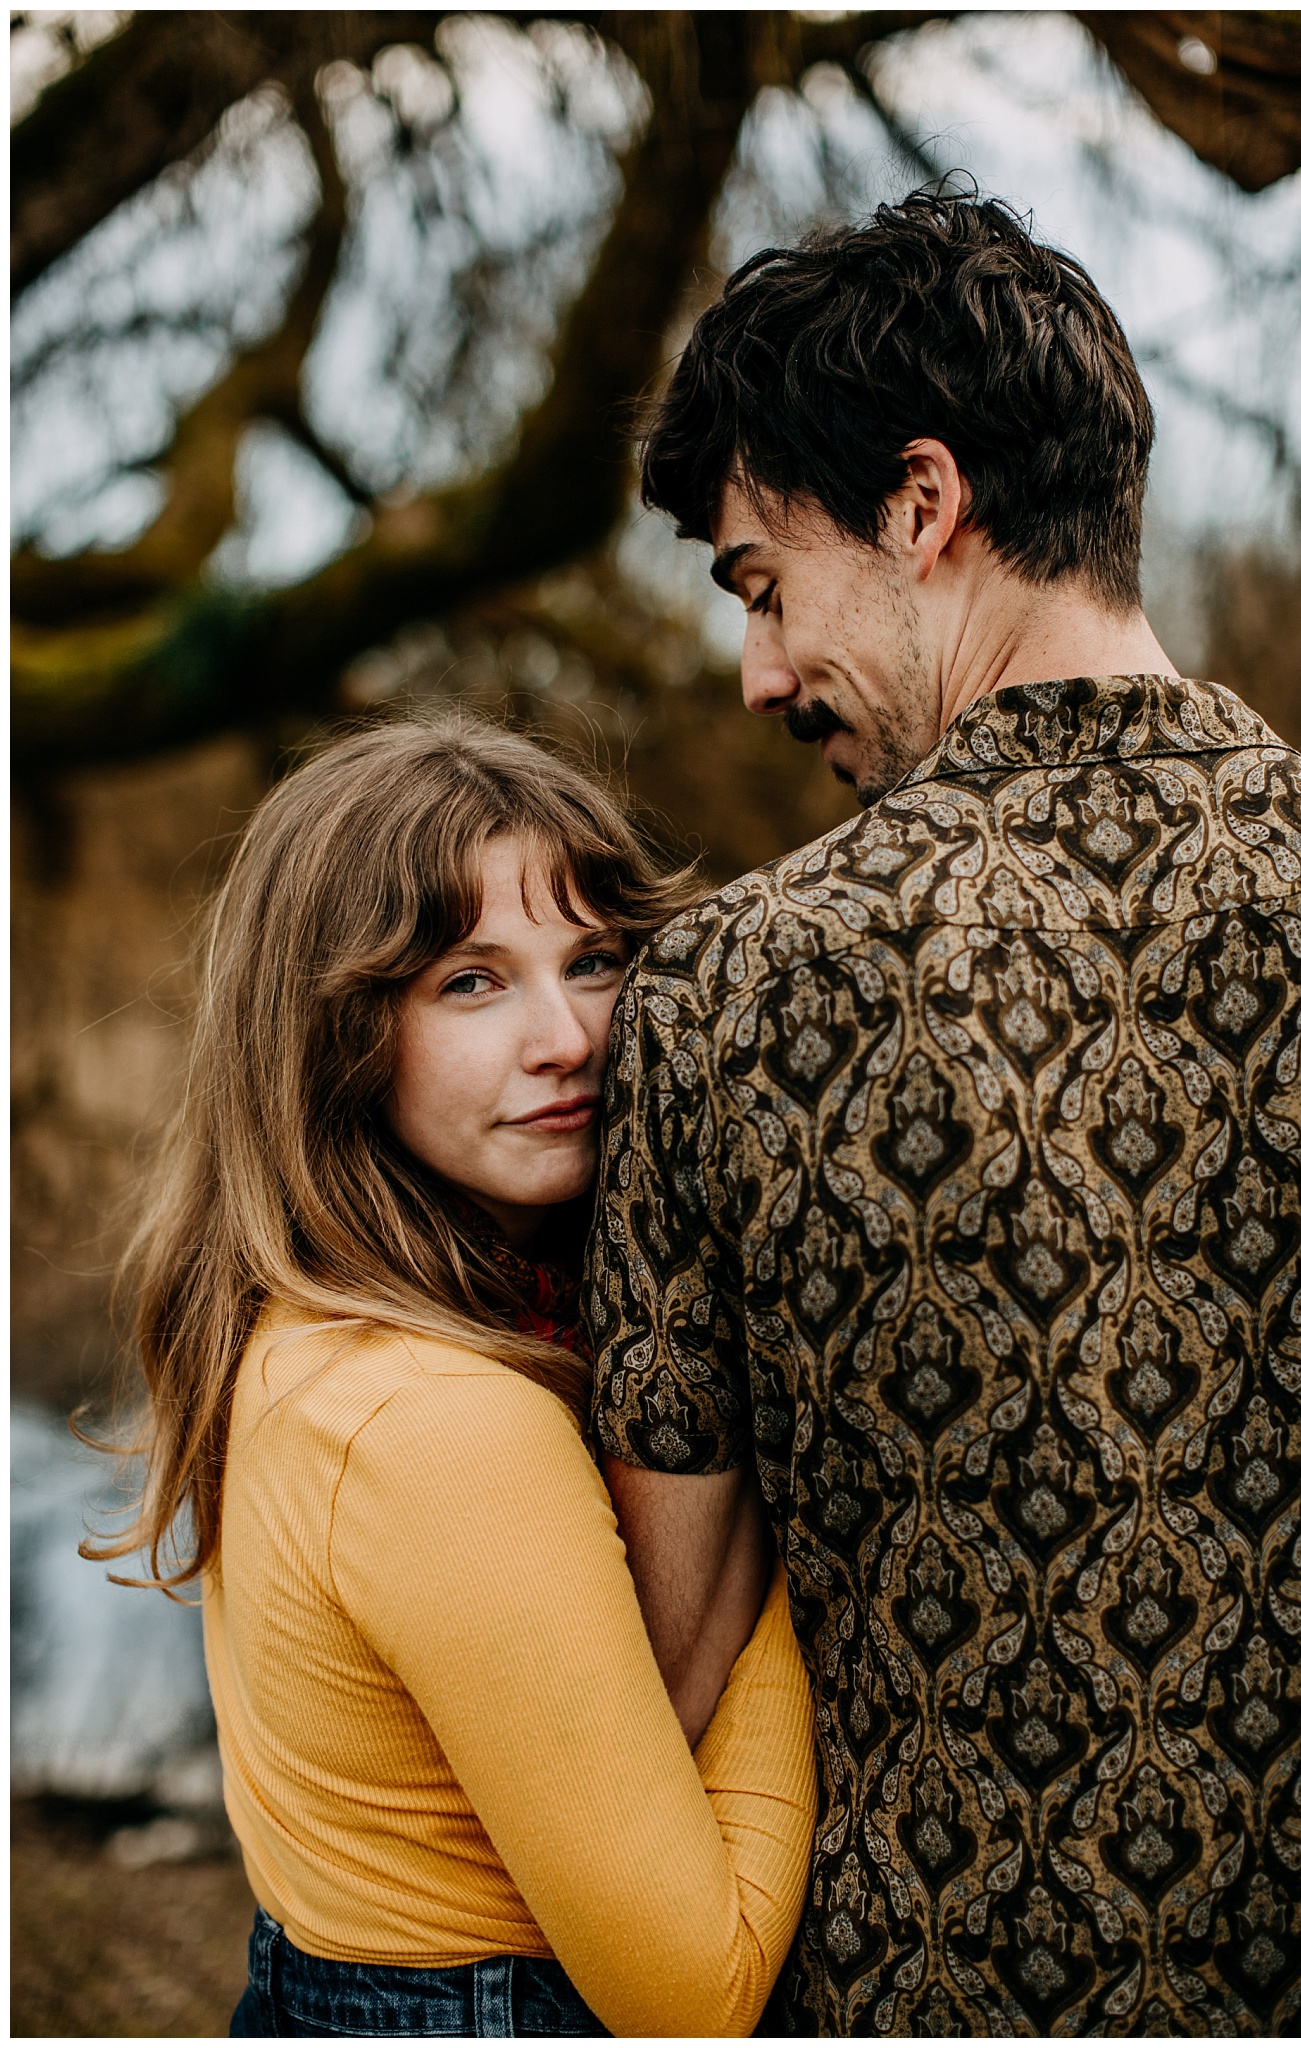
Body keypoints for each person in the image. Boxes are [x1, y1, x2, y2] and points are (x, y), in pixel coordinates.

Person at [588, 190, 1301, 2037]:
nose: (761, 677)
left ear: (923, 508)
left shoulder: (731, 994)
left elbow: (663, 1673)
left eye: (765, 586)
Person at [85, 716, 816, 2038]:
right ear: (332, 1040)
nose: (567, 1038)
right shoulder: (428, 1417)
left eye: (593, 961)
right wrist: (780, 1503)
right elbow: (691, 1995)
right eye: (470, 982)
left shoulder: (323, 1320)